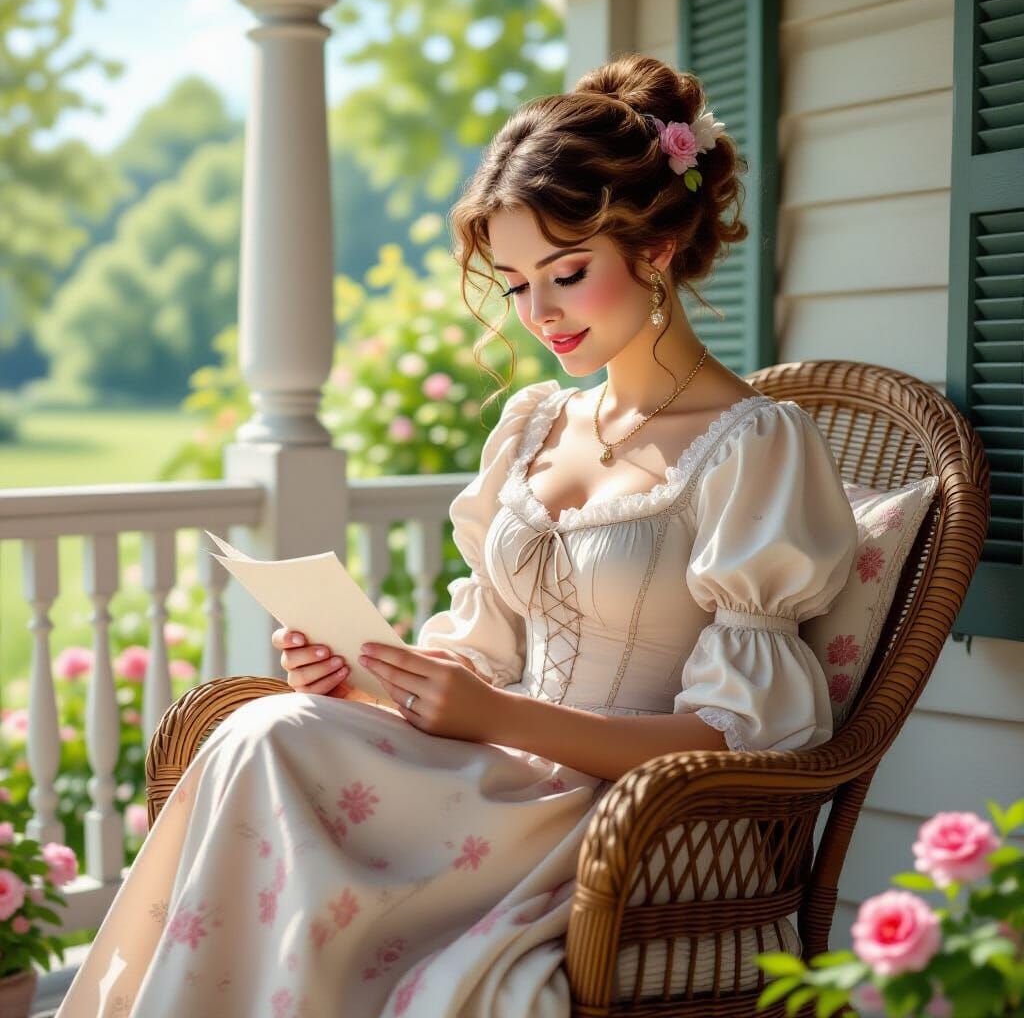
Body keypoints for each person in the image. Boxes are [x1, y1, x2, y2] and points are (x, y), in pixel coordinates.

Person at [55, 54, 858, 1017]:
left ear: (657, 247)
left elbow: (742, 741)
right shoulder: (534, 425)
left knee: (268, 741)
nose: (539, 314)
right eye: (515, 285)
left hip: (618, 821)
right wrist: (364, 678)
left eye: (567, 274)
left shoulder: (754, 446)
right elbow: (480, 659)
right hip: (489, 780)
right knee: (263, 726)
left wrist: (497, 718)